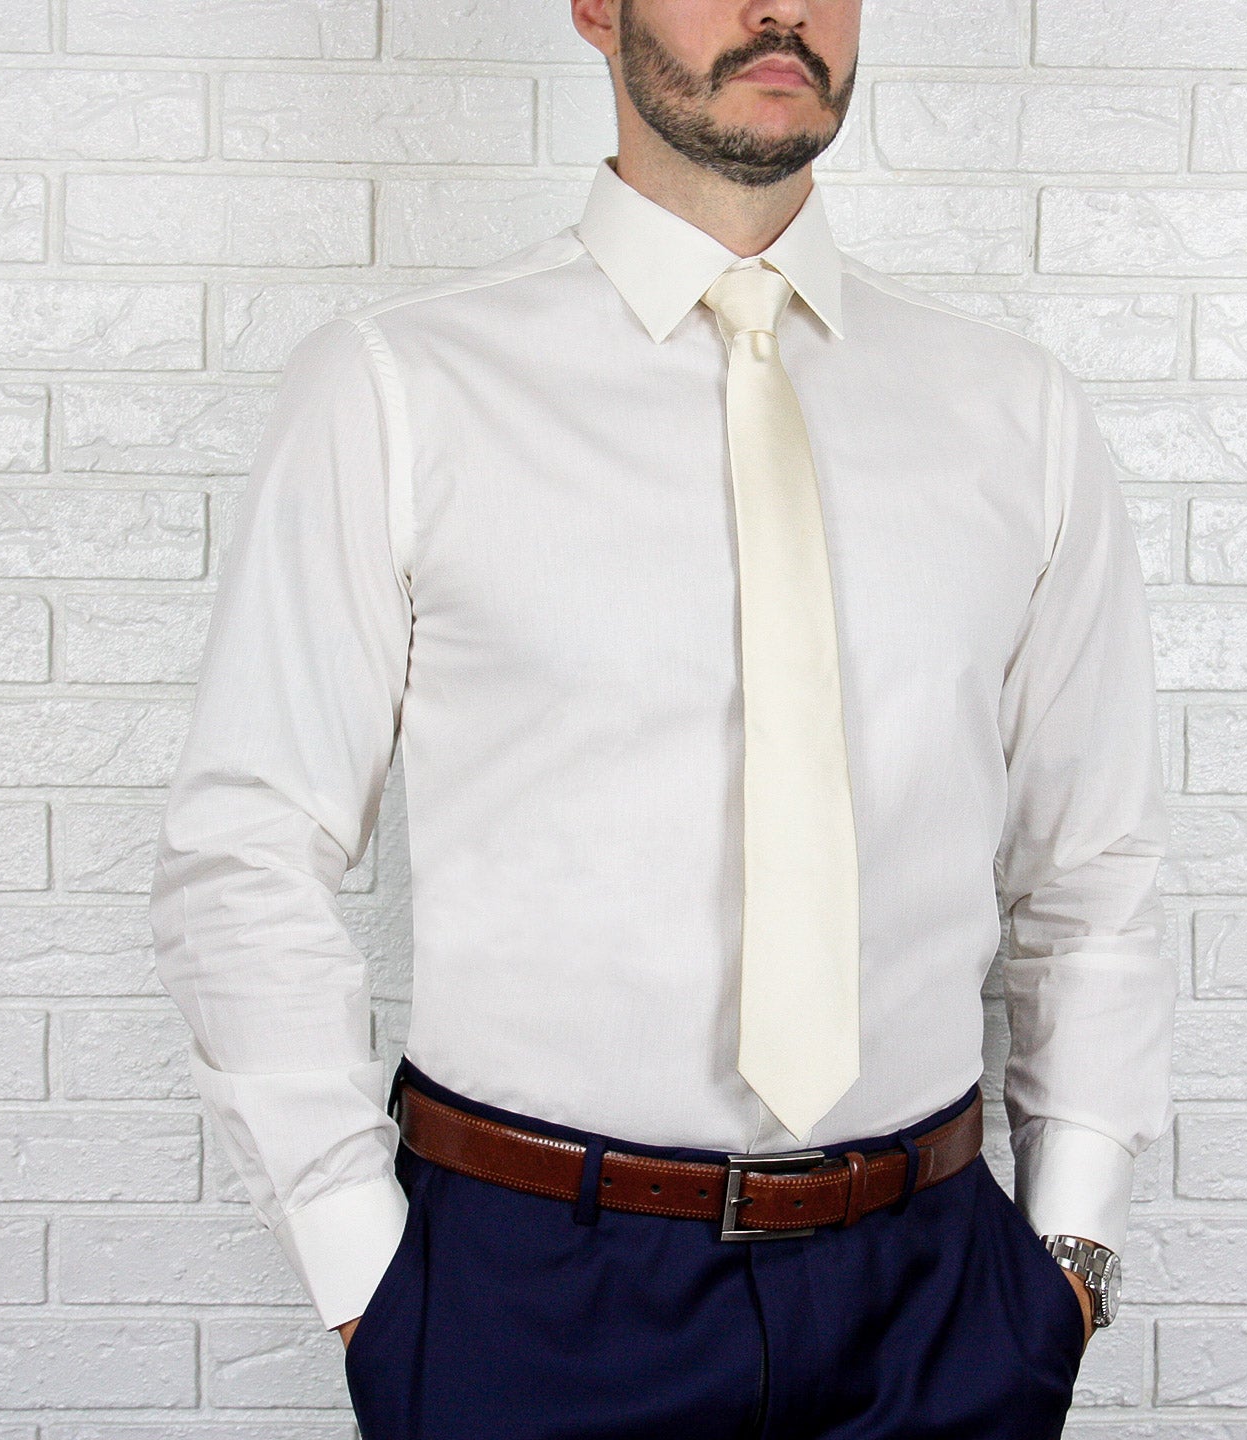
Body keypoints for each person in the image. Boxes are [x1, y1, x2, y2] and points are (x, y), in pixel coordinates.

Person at [149, 0, 1173, 1435]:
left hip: (937, 1299)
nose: (781, 10)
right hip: (530, 1296)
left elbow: (1092, 871)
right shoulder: (400, 391)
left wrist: (1066, 1251)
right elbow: (246, 852)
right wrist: (371, 1280)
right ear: (590, 4)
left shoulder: (1016, 412)